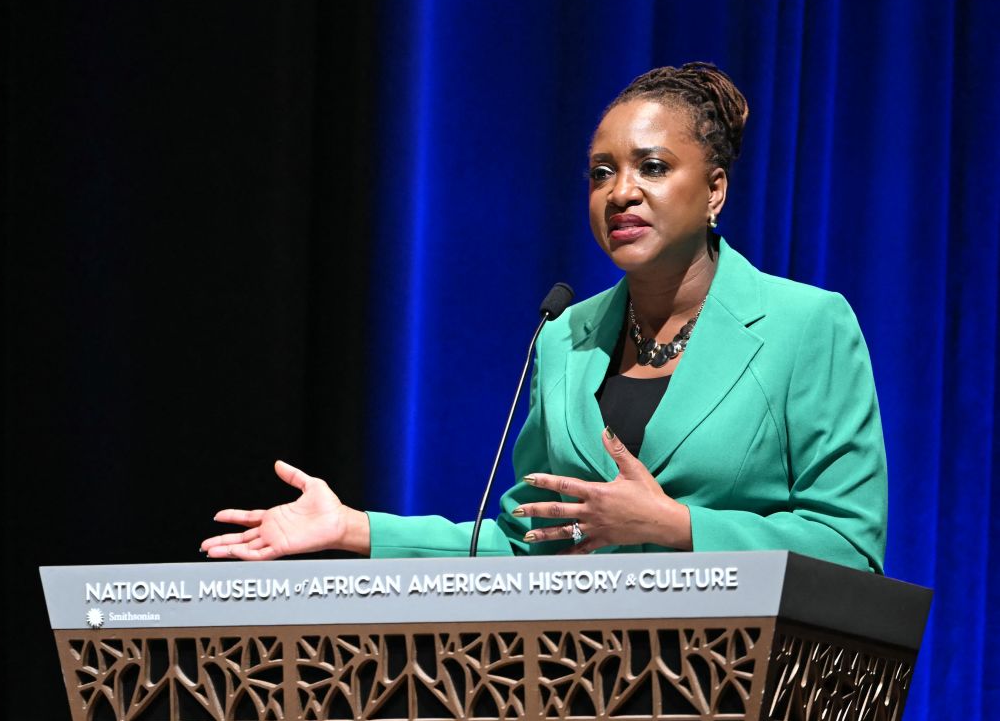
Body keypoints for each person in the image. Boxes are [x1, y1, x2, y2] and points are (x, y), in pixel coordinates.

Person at [201, 63, 888, 573]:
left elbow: (851, 546)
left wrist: (677, 526)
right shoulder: (565, 338)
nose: (621, 192)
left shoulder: (807, 325)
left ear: (714, 191)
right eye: (600, 172)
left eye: (652, 167)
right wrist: (354, 528)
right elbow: (528, 540)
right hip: (577, 681)